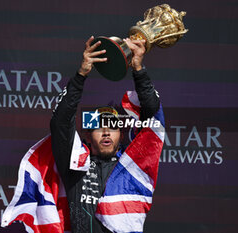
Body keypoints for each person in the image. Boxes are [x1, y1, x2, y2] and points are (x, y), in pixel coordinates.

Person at [50, 36, 161, 233]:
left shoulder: (132, 166)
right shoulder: (75, 164)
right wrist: (82, 74)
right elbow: (60, 122)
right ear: (88, 135)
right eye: (99, 128)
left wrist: (138, 68)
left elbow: (152, 114)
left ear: (121, 134)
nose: (106, 132)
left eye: (112, 127)